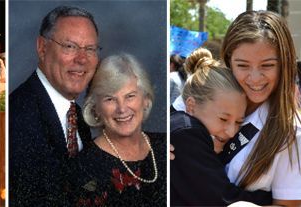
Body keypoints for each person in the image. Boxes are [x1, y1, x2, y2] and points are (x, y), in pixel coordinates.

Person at [172, 11, 301, 206]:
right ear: (228, 60)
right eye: (243, 65)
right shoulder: (206, 90)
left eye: (267, 65)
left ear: (284, 64)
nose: (255, 78)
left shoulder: (291, 133)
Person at [9, 5, 100, 205]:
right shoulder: (19, 117)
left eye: (90, 49)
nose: (82, 59)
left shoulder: (75, 115)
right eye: (70, 46)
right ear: (42, 48)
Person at [171, 48, 271, 206]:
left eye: (239, 122)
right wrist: (276, 200)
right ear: (191, 106)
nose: (232, 132)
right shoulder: (186, 133)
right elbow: (222, 198)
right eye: (223, 119)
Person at [66, 53, 165, 206]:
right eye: (110, 99)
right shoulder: (84, 168)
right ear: (95, 108)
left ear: (146, 100)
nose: (122, 109)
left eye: (130, 96)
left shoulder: (167, 147)